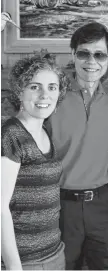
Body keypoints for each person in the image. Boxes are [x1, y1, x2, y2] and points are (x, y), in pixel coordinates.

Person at [46, 22, 108, 269]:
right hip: (60, 207)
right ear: (73, 55)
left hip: (103, 206)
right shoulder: (51, 97)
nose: (92, 61)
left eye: (99, 54)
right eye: (83, 53)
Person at [1, 54, 68, 270]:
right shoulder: (11, 135)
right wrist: (14, 267)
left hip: (54, 253)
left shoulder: (44, 131)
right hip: (25, 260)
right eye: (34, 87)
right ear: (20, 91)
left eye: (52, 87)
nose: (44, 95)